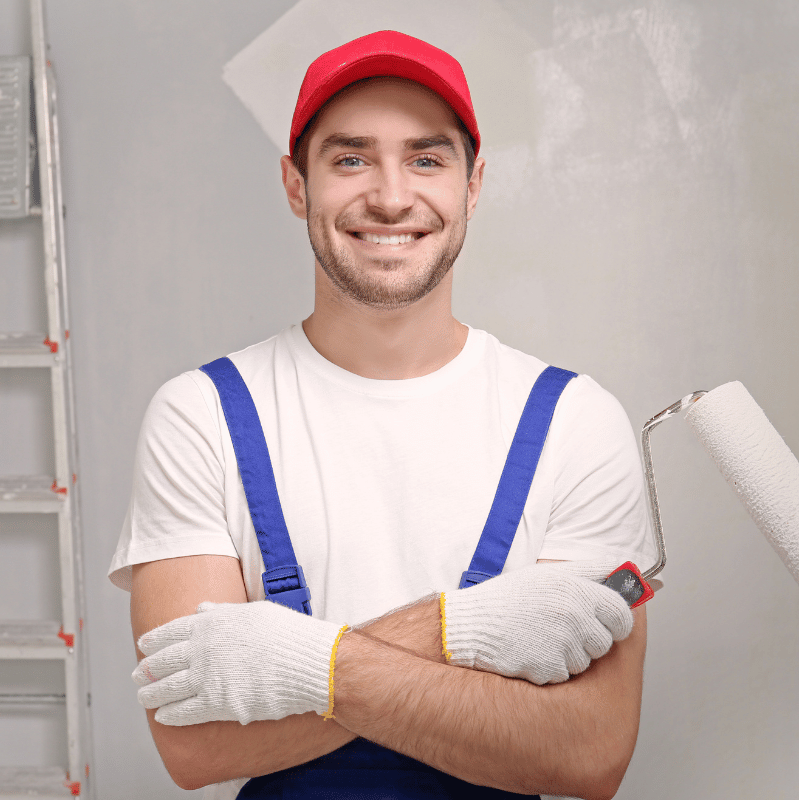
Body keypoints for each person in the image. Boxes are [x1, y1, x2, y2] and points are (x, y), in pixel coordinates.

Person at [109, 30, 654, 800]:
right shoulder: (201, 415)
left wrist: (296, 663)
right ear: (297, 185)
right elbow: (196, 745)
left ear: (473, 185)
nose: (392, 197)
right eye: (351, 158)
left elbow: (588, 753)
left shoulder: (575, 421)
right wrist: (455, 638)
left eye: (427, 159)